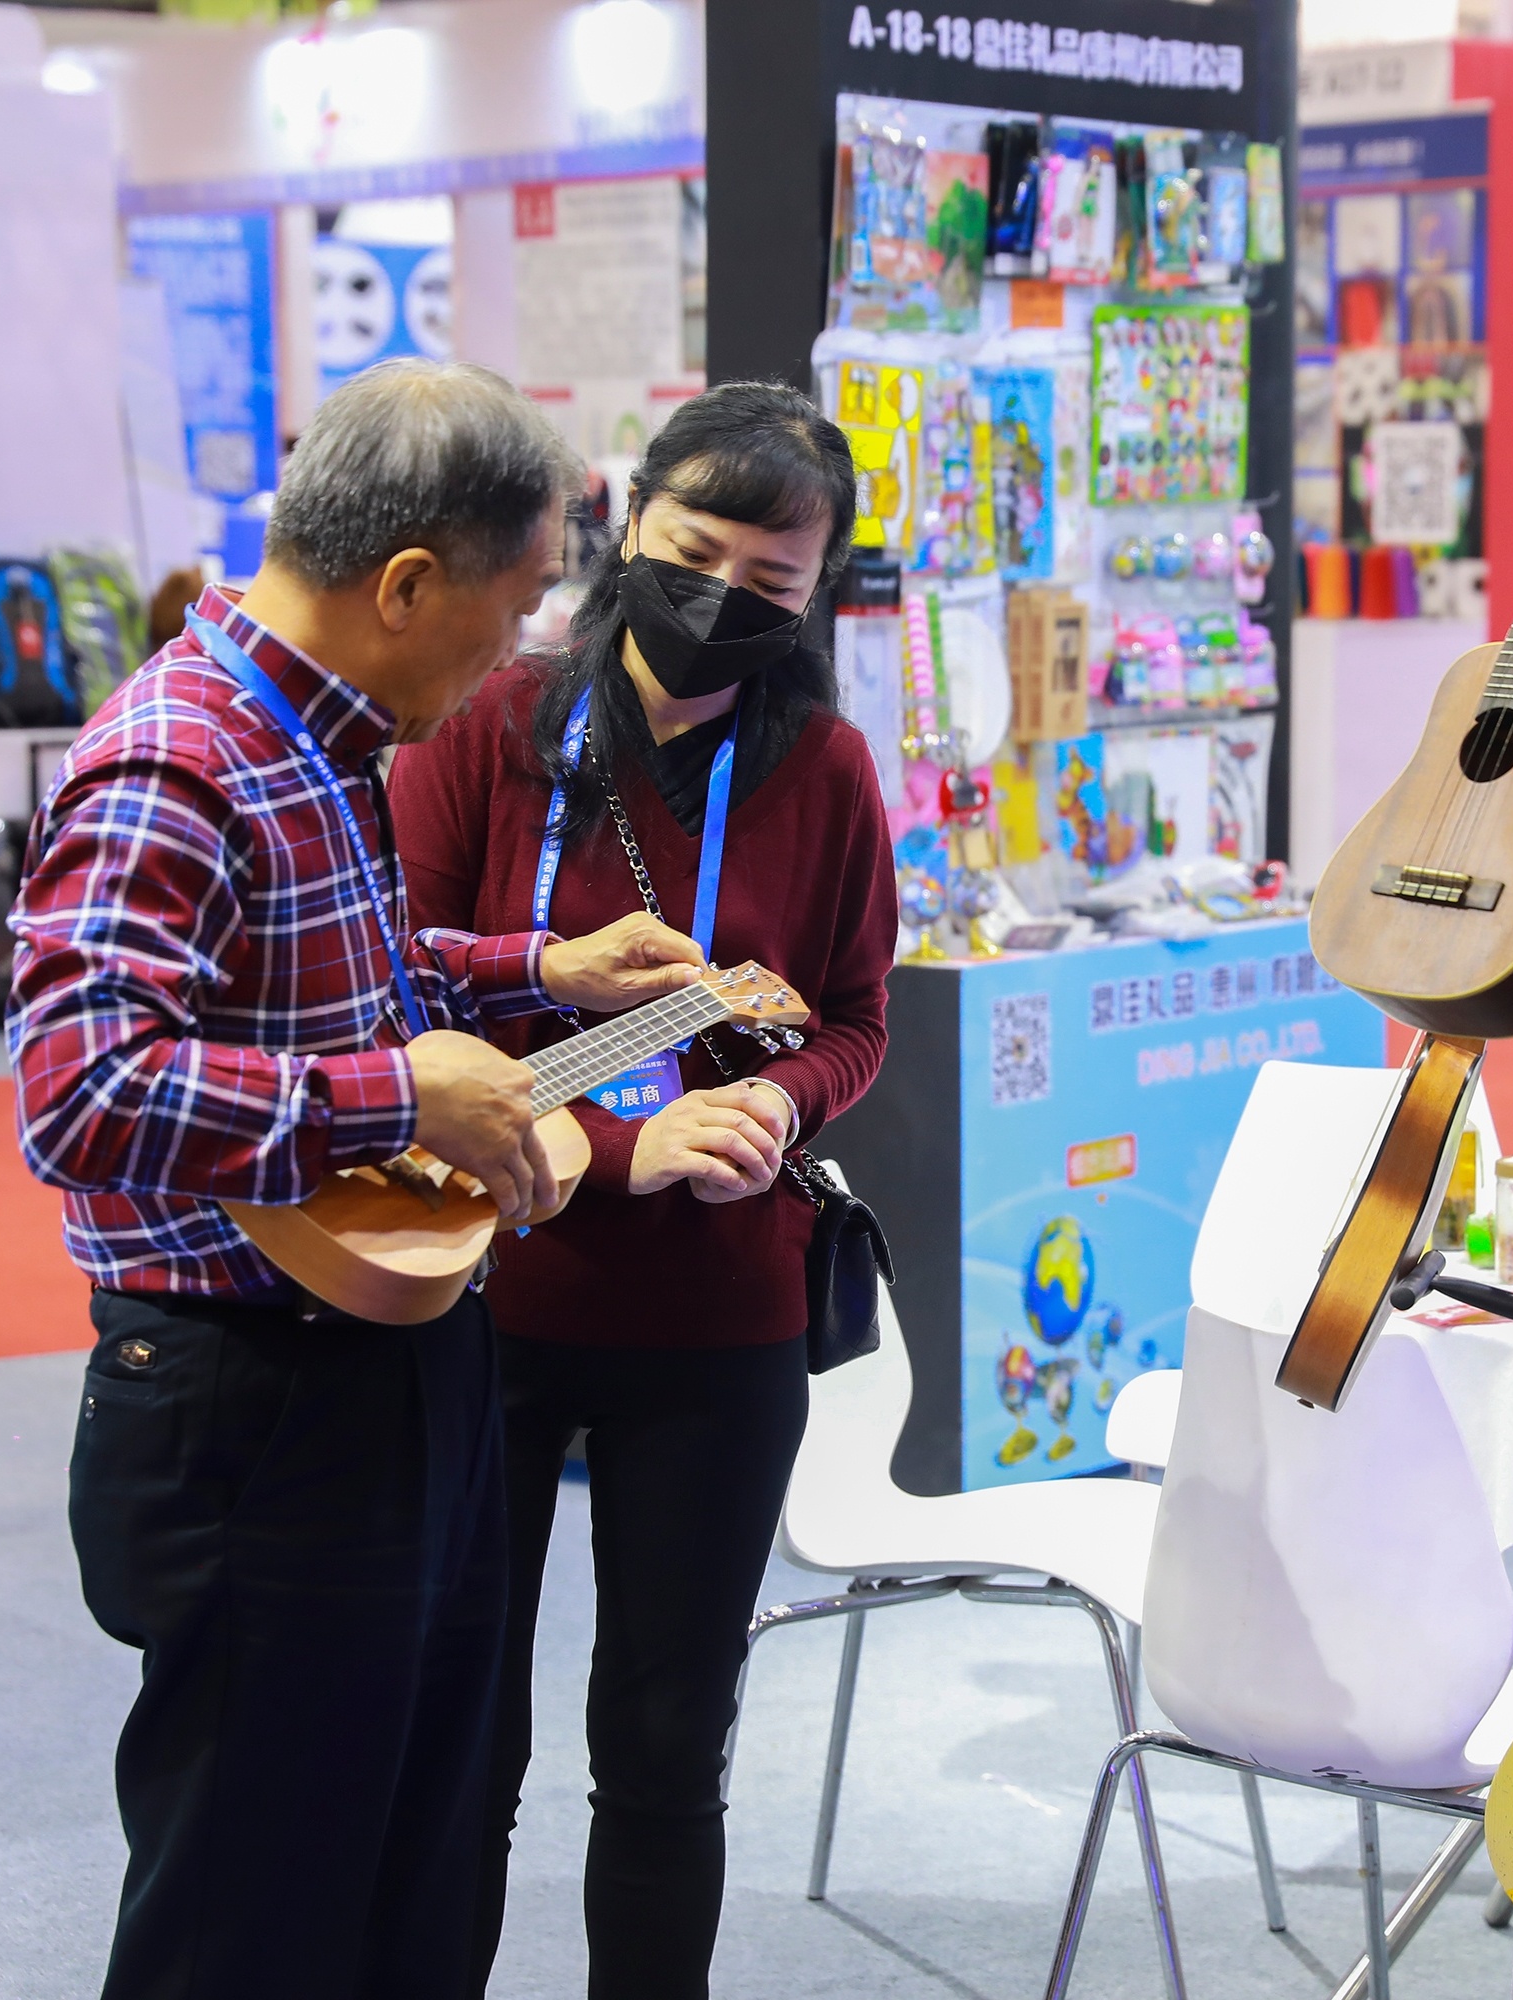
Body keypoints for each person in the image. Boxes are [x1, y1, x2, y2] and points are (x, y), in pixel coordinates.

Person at [8, 359, 708, 2000]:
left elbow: (330, 979)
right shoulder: (178, 758)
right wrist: (397, 1092)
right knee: (253, 1917)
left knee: (415, 1870)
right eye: (517, 607)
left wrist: (537, 971)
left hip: (389, 1366)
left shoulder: (316, 741)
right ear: (405, 585)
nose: (521, 651)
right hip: (255, 1402)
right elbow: (80, 1090)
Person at [388, 380, 897, 1999]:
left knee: (668, 1748)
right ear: (628, 525)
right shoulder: (489, 726)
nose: (719, 597)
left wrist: (772, 1097)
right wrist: (621, 1147)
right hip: (482, 1289)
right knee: (457, 1737)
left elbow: (855, 1017)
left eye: (770, 578)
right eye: (694, 551)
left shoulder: (825, 767)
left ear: (815, 594)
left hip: (715, 1318)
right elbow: (400, 991)